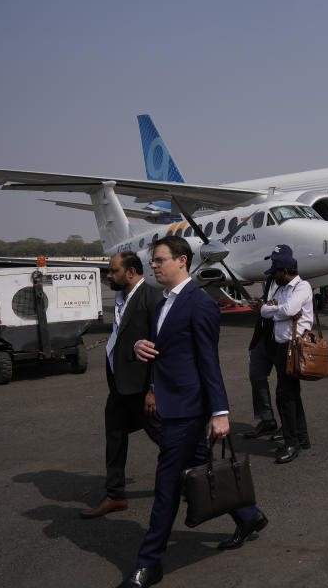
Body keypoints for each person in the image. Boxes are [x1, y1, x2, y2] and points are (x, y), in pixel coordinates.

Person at [124, 237, 265, 588]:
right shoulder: (162, 304)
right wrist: (139, 346)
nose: (153, 266)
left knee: (167, 484)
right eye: (152, 261)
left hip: (190, 410)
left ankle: (150, 563)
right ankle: (249, 517)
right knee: (202, 466)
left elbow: (208, 363)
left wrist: (220, 412)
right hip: (171, 404)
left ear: (182, 260)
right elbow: (165, 350)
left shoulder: (200, 304)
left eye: (159, 260)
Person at [81, 252, 162, 519]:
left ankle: (196, 477)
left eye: (113, 271)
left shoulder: (152, 298)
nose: (108, 275)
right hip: (120, 386)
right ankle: (115, 495)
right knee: (114, 436)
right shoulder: (120, 298)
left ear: (131, 272)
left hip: (142, 389)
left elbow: (160, 348)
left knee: (166, 438)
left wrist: (153, 388)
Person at [259, 246, 314, 463]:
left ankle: (292, 443)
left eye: (275, 271)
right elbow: (266, 311)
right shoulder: (281, 290)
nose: (272, 275)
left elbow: (288, 311)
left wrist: (274, 309)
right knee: (292, 394)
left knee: (285, 397)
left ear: (284, 270)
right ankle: (302, 437)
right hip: (281, 348)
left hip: (294, 347)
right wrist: (275, 309)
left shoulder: (302, 287)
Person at [242, 247, 290, 440]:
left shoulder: (291, 283)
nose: (273, 264)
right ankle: (267, 419)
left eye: (276, 260)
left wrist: (268, 307)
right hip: (262, 336)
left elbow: (288, 308)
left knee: (284, 385)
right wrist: (260, 304)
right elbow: (268, 302)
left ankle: (288, 426)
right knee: (256, 375)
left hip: (279, 338)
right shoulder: (272, 278)